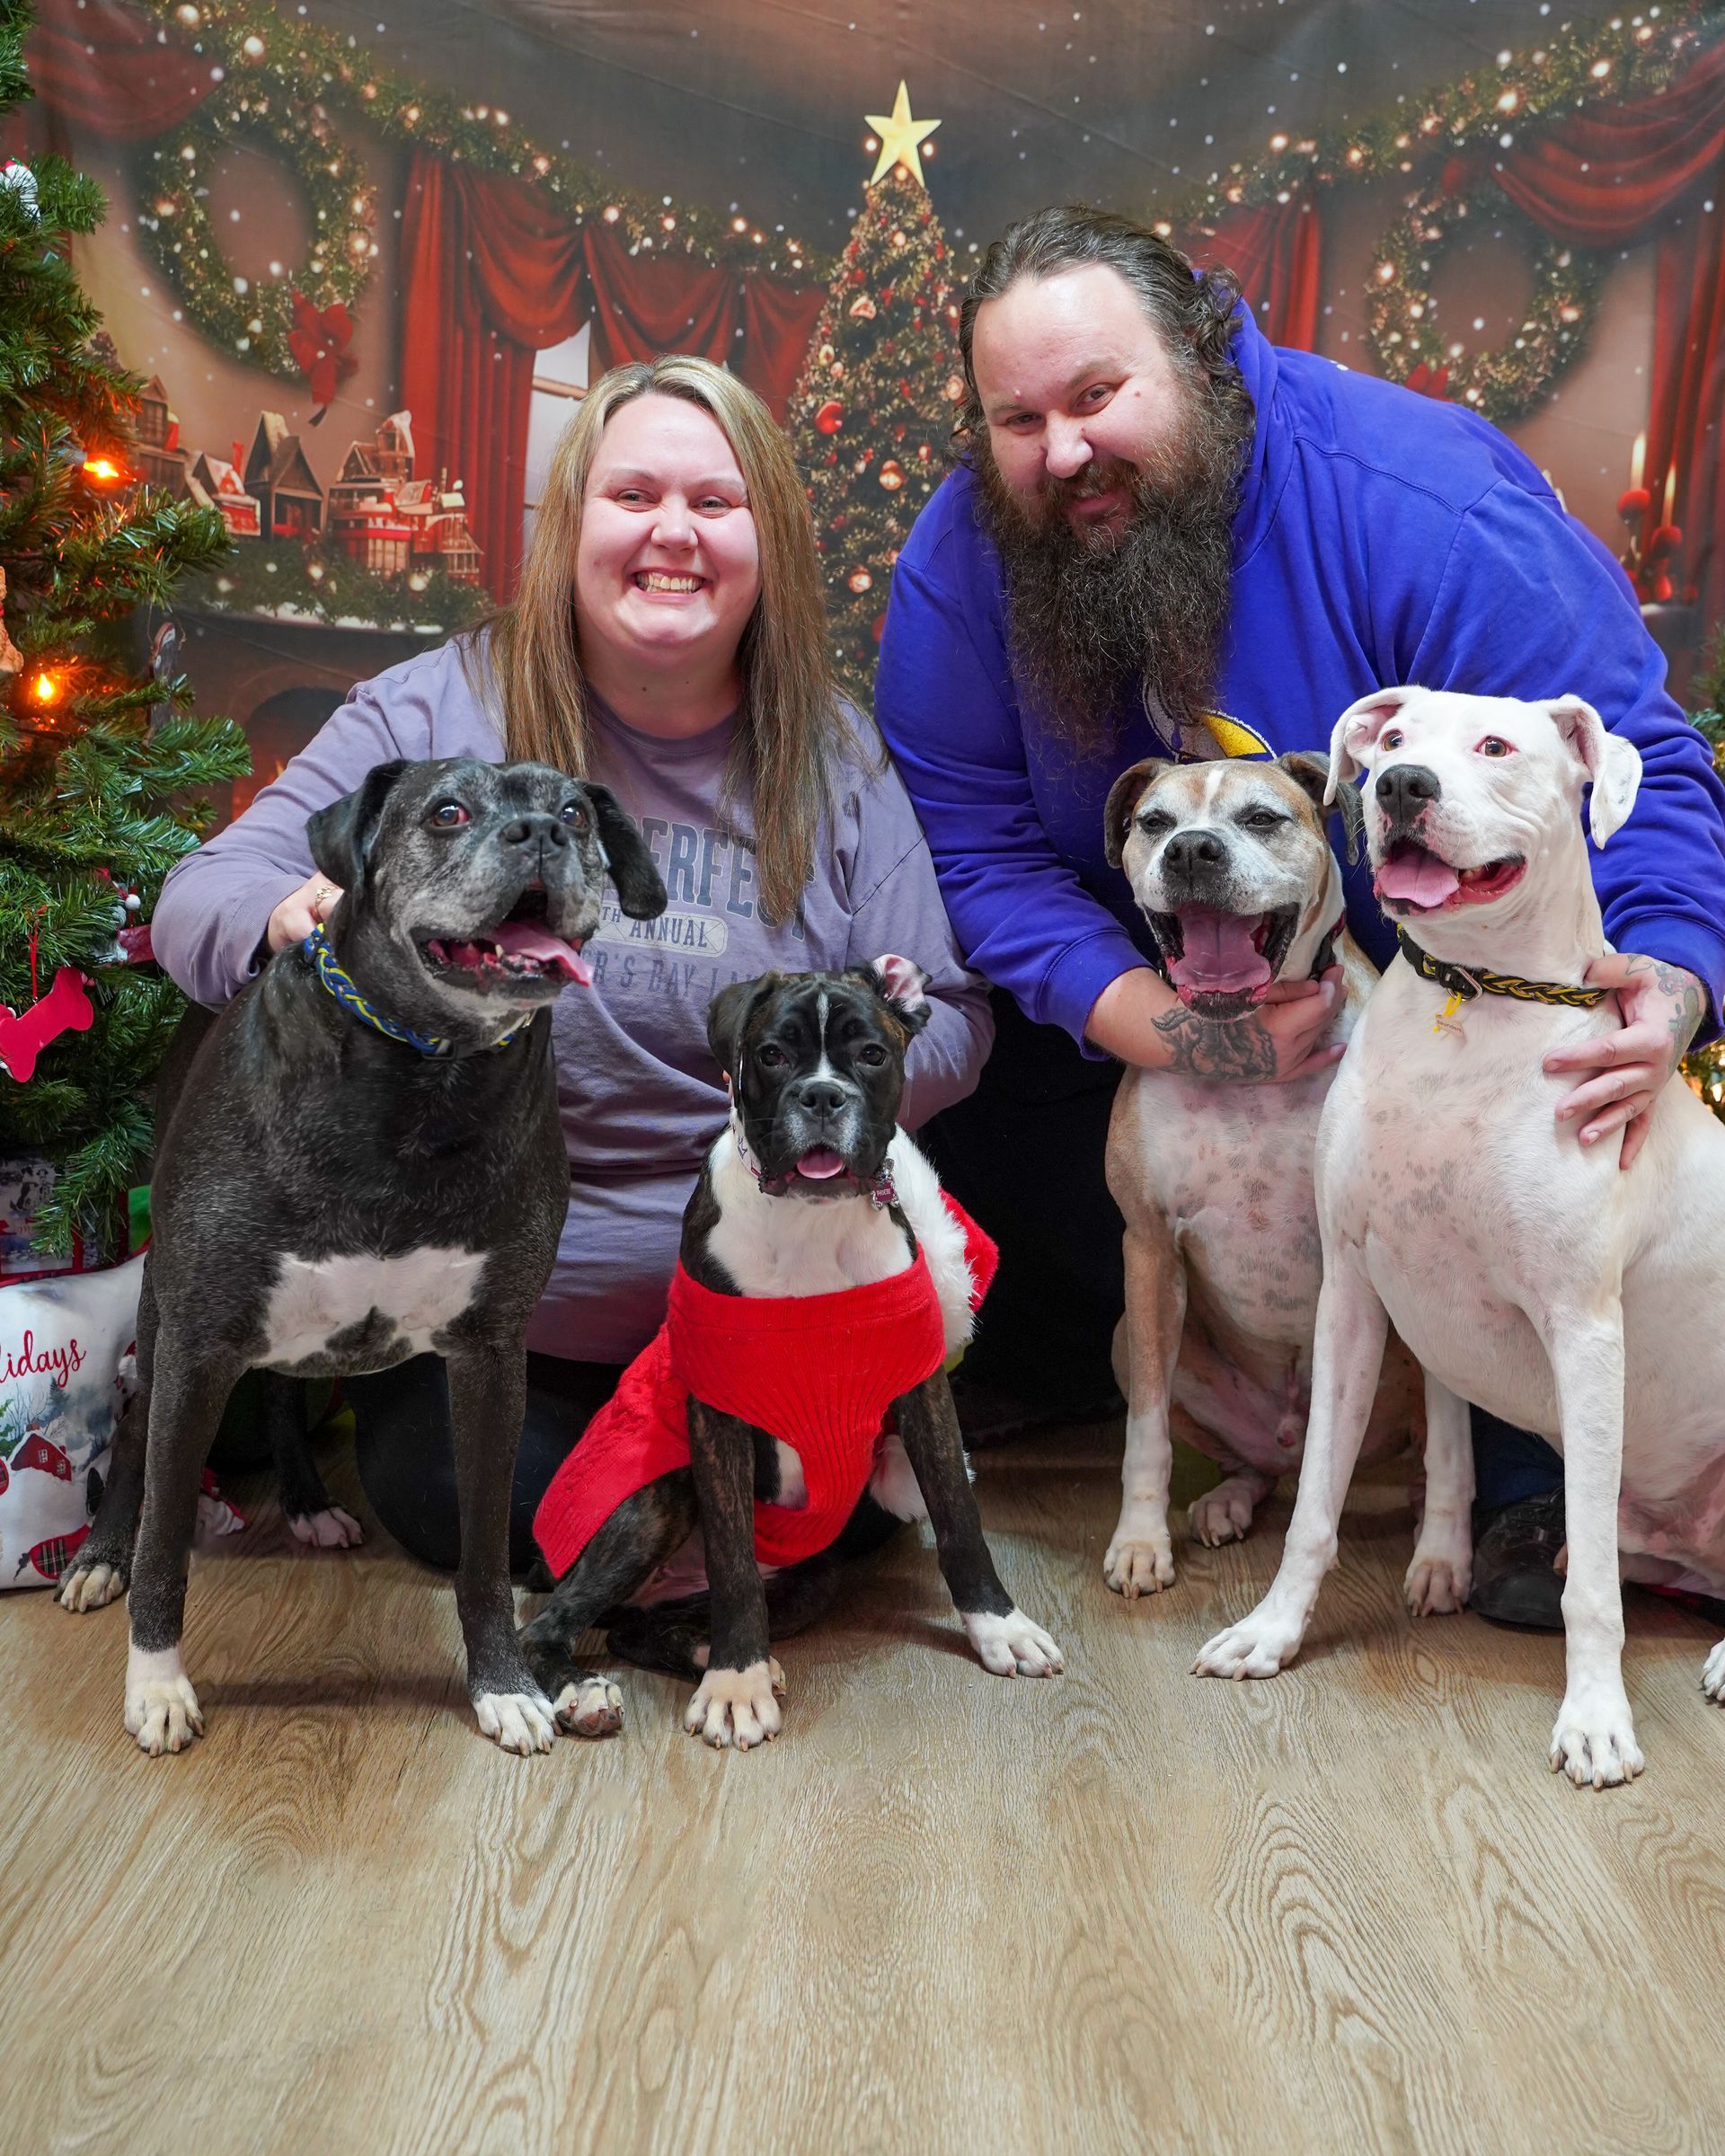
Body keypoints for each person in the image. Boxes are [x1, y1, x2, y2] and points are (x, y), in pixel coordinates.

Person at [874, 204, 1725, 1629]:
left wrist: (1672, 986)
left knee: (1562, 1169)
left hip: (1463, 1011)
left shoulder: (1418, 498)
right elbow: (973, 847)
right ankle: (1046, 1381)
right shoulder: (965, 559)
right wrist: (1180, 1034)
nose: (1061, 451)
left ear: (1205, 355)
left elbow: (1637, 764)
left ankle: (1534, 1472)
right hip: (1134, 1009)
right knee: (979, 1078)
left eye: (1097, 396)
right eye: (1015, 418)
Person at [153, 355, 991, 1570]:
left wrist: (832, 1083)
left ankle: (699, 1547)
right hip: (495, 1311)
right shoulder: (436, 714)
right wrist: (294, 915)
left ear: (772, 543)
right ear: (570, 528)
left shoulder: (834, 756)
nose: (673, 534)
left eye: (716, 503)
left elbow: (955, 1019)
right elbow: (199, 902)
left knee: (841, 1508)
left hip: (767, 1301)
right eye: (632, 495)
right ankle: (681, 1555)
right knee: (456, 1494)